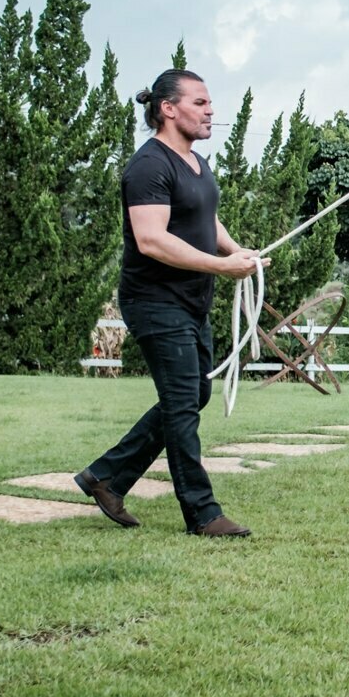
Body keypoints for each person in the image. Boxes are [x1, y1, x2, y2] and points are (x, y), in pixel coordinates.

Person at [75, 68, 264, 537]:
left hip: (191, 300)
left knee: (193, 394)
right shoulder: (149, 166)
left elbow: (207, 219)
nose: (210, 110)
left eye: (209, 102)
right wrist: (223, 268)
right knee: (182, 402)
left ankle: (106, 476)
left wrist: (236, 252)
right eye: (200, 102)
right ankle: (203, 514)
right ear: (168, 108)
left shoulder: (197, 164)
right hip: (155, 302)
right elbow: (152, 240)